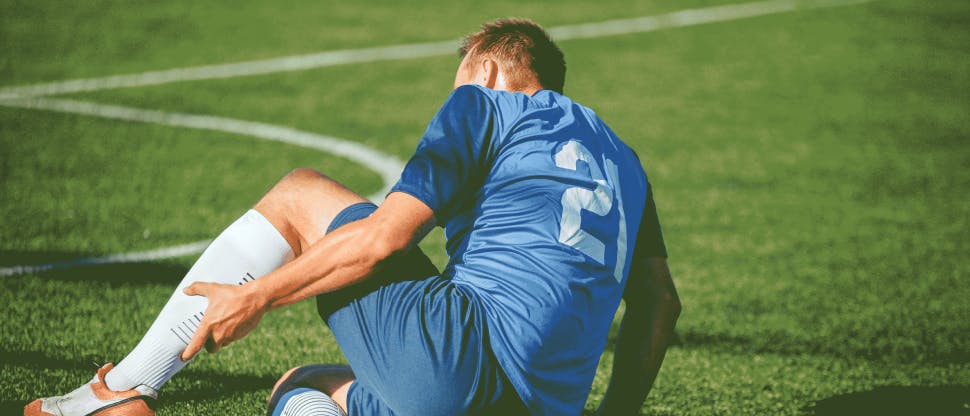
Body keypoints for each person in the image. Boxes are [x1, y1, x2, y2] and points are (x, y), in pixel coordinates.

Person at [26, 18, 680, 416]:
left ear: (485, 68)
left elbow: (382, 239)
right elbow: (659, 305)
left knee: (301, 193)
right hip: (538, 409)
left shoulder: (482, 106)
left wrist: (252, 298)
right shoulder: (625, 162)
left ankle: (120, 390)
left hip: (460, 361)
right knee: (304, 385)